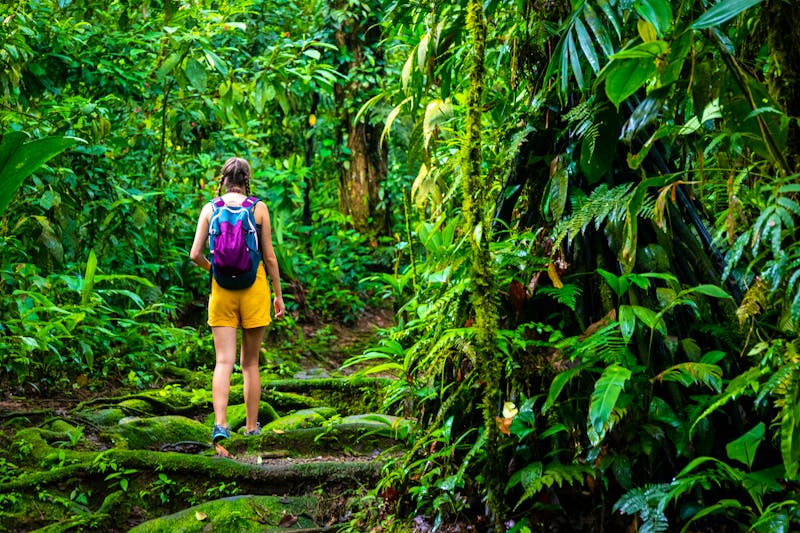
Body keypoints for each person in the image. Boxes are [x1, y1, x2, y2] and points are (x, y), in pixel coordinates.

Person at [189, 156, 285, 443]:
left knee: (223, 361)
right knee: (250, 363)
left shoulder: (210, 208)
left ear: (223, 179)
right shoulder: (259, 208)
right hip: (254, 289)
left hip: (222, 292)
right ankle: (252, 426)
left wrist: (214, 268)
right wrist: (278, 296)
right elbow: (268, 257)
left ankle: (220, 426)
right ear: (246, 180)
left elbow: (195, 255)